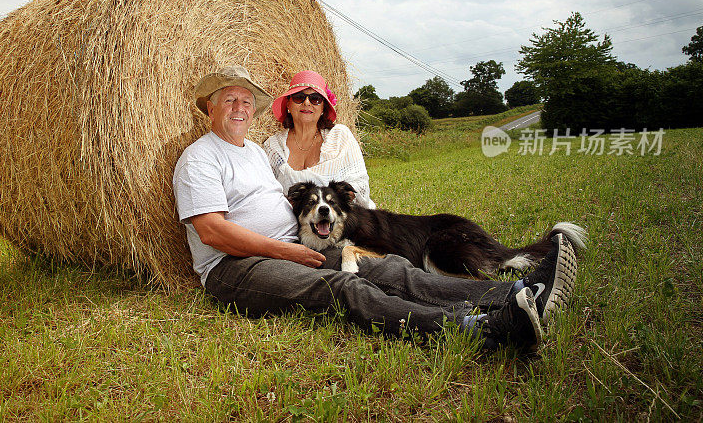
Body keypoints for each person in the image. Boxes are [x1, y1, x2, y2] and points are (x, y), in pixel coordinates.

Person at [172, 65, 579, 352]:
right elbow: (213, 233)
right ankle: (482, 328)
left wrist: (313, 239)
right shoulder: (200, 158)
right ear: (210, 107)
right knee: (344, 289)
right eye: (229, 100)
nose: (240, 107)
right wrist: (289, 250)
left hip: (294, 247)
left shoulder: (255, 154)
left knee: (392, 268)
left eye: (246, 100)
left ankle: (517, 291)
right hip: (237, 266)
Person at [264, 70, 375, 208]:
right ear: (288, 104)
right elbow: (264, 193)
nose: (306, 103)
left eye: (315, 99)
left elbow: (360, 186)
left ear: (323, 107)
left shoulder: (340, 136)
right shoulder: (273, 146)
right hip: (288, 224)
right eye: (299, 97)